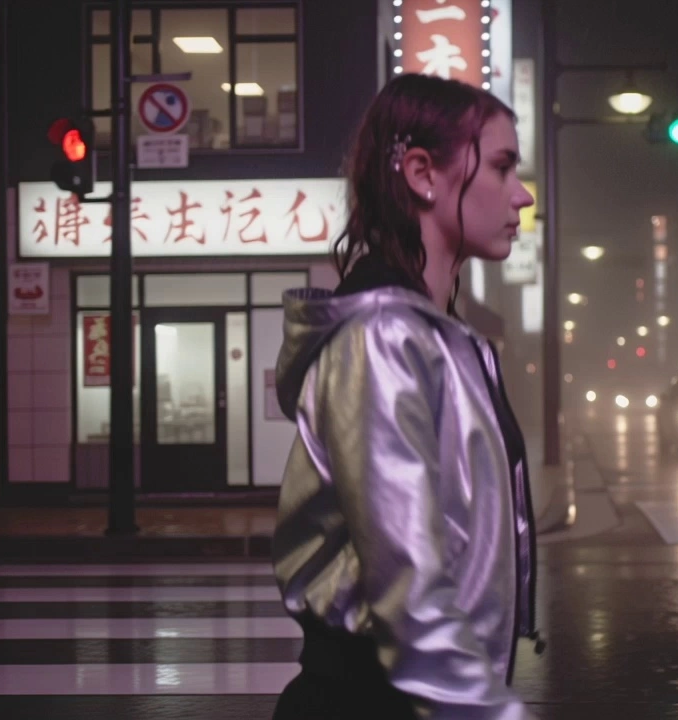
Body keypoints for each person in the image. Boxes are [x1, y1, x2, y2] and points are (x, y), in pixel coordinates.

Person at [270, 73, 539, 719]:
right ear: (422, 173)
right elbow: (408, 589)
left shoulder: (443, 337)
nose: (523, 195)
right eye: (502, 167)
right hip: (370, 702)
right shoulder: (384, 338)